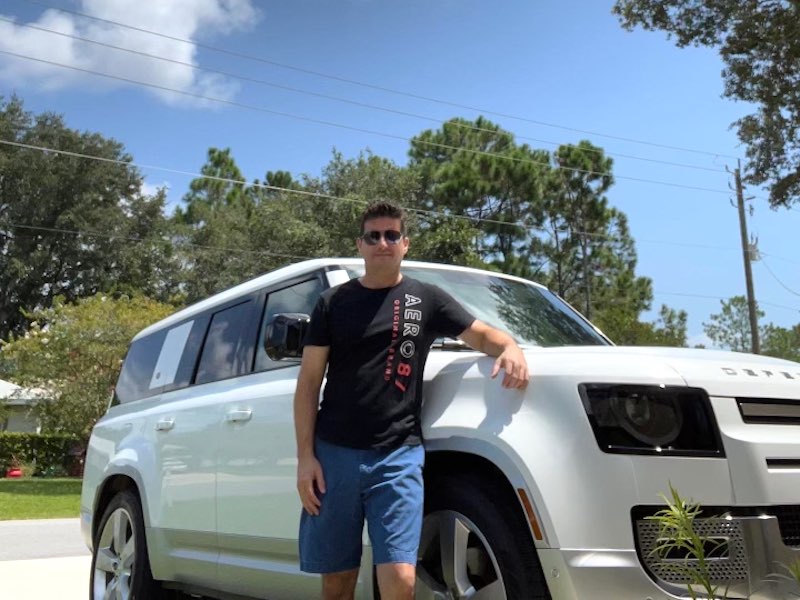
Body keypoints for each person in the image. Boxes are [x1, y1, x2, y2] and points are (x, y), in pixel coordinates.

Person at [293, 201, 529, 600]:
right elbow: (309, 382)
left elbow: (481, 335)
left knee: (402, 579)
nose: (382, 243)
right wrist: (306, 458)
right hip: (334, 457)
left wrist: (511, 347)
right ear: (361, 244)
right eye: (373, 236)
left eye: (391, 235)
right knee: (337, 583)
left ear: (405, 244)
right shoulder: (332, 303)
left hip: (398, 455)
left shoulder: (427, 299)